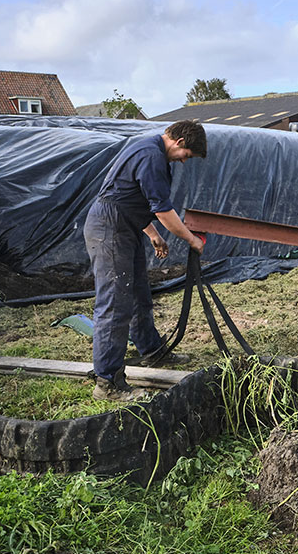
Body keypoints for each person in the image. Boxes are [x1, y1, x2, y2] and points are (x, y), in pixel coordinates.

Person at [84, 120, 208, 401]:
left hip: (124, 225)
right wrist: (191, 240)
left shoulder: (147, 148)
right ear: (178, 142)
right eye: (186, 156)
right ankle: (108, 382)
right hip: (110, 229)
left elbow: (128, 196)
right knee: (115, 302)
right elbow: (163, 210)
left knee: (139, 292)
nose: (183, 161)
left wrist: (152, 234)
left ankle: (152, 350)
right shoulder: (151, 156)